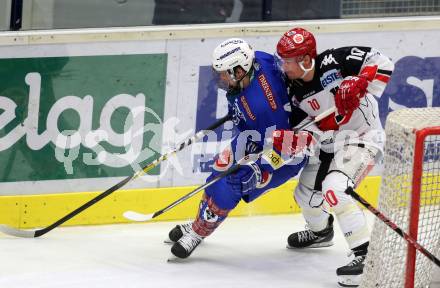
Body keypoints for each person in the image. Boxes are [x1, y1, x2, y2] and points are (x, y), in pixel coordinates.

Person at [166, 38, 313, 260]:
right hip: (253, 137)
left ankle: (198, 233)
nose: (220, 78)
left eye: (224, 73)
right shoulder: (257, 60)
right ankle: (202, 221)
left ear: (238, 70)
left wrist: (261, 170)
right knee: (218, 174)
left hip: (283, 155)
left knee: (232, 185)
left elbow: (288, 145)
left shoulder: (265, 106)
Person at [275, 27, 394, 287]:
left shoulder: (334, 61)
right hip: (329, 145)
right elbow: (301, 125)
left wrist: (359, 81)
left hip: (362, 137)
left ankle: (366, 257)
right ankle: (320, 232)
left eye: (288, 61)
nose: (284, 67)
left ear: (306, 60)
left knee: (336, 189)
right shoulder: (291, 88)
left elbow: (382, 62)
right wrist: (299, 136)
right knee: (305, 196)